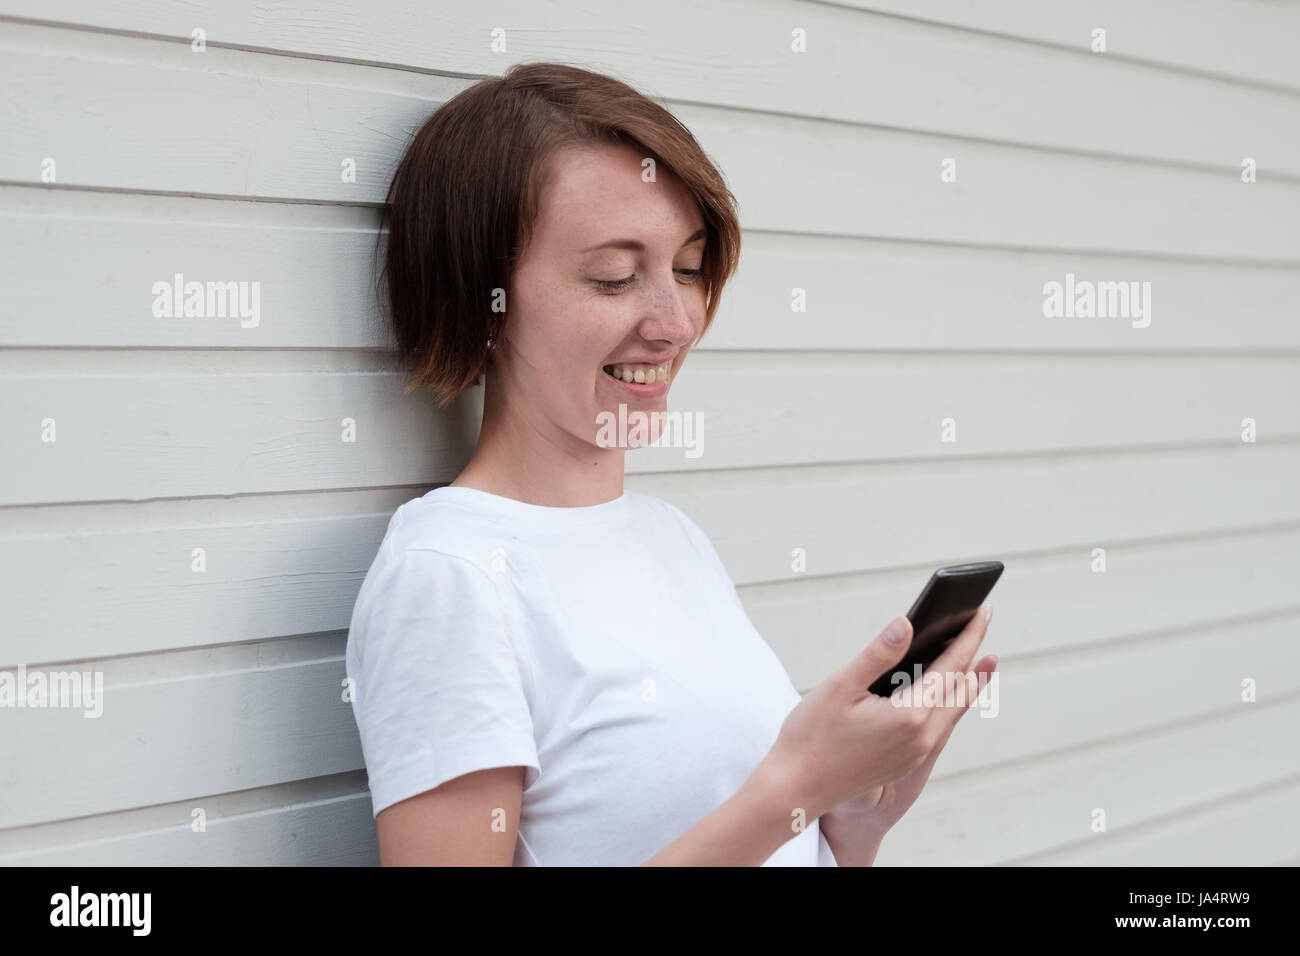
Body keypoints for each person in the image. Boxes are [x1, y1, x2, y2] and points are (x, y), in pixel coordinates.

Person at [345, 62, 997, 866]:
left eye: (687, 269)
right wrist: (789, 791)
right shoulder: (449, 577)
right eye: (614, 277)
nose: (676, 322)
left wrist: (847, 821)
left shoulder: (669, 537)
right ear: (481, 299)